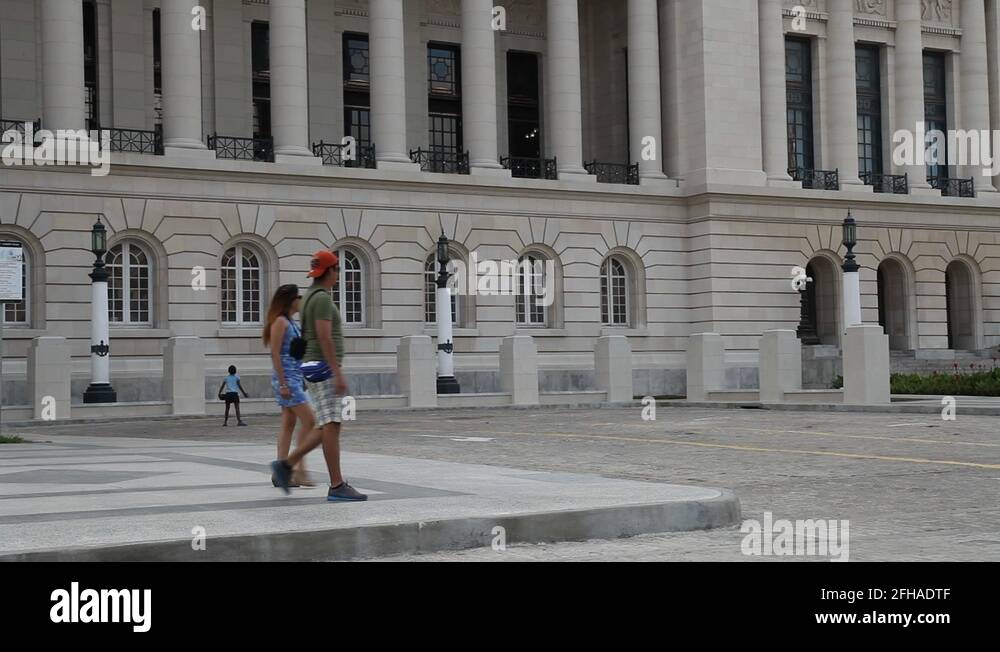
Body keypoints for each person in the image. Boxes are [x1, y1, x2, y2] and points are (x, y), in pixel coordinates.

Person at [270, 250, 367, 502]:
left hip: (311, 366)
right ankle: (334, 484)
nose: (338, 275)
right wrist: (337, 371)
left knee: (327, 425)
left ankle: (290, 465)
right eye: (337, 270)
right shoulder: (322, 299)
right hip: (323, 368)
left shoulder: (311, 296)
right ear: (330, 271)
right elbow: (324, 336)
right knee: (330, 425)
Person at [263, 284, 315, 488]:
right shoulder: (281, 322)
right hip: (287, 380)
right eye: (298, 297)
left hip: (295, 377)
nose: (301, 301)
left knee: (288, 424)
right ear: (291, 300)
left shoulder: (292, 323)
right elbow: (275, 353)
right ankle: (297, 468)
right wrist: (283, 383)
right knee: (311, 421)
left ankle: (281, 472)